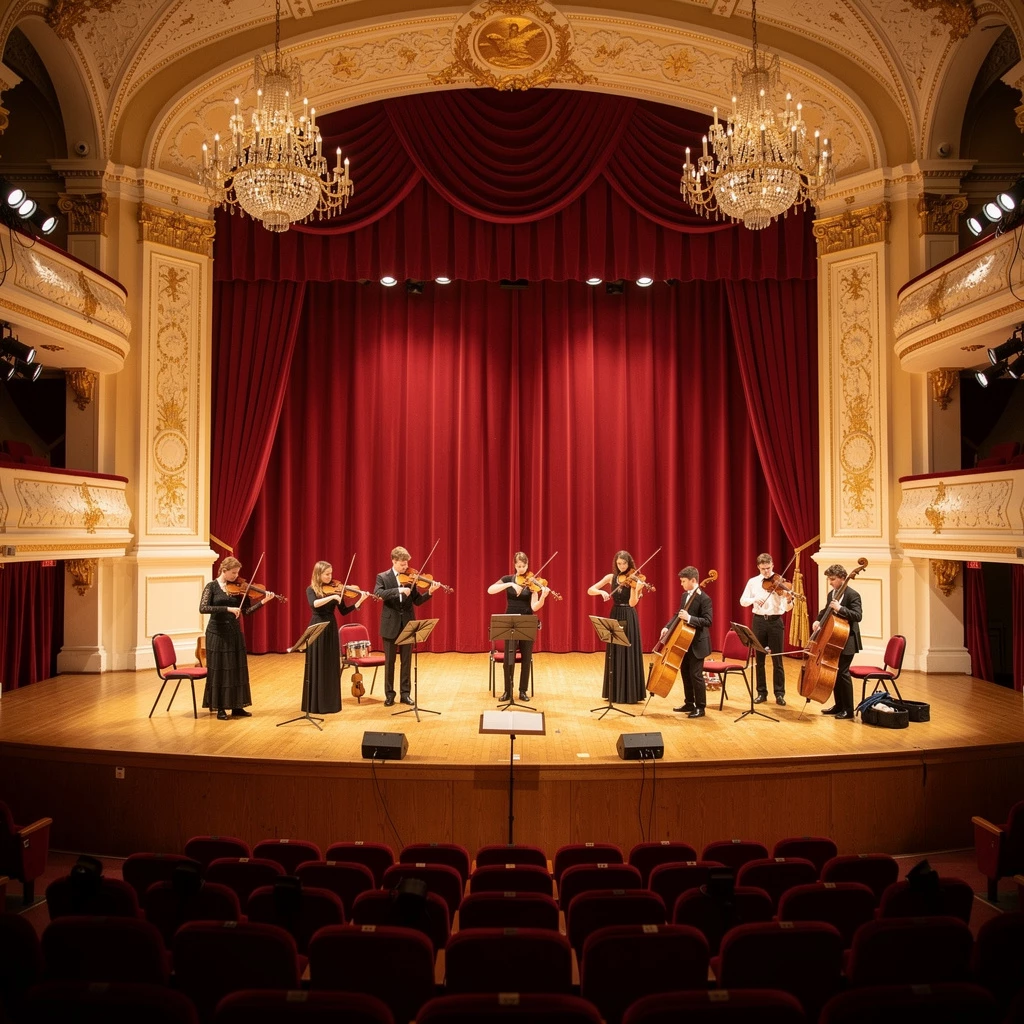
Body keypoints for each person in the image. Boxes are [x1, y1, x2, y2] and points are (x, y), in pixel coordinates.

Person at [199, 556, 275, 720]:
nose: (235, 576)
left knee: (236, 669)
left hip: (234, 632)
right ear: (224, 571)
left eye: (237, 573)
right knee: (219, 669)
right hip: (216, 633)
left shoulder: (239, 588)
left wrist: (264, 602)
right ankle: (220, 707)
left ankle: (237, 706)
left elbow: (246, 612)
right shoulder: (211, 587)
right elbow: (203, 608)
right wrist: (227, 608)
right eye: (233, 573)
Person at [374, 546, 439, 707]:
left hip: (408, 624)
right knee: (390, 662)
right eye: (402, 564)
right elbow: (378, 593)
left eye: (406, 564)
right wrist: (398, 590)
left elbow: (416, 601)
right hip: (390, 624)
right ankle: (389, 695)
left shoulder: (411, 578)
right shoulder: (382, 577)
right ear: (394, 561)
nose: (405, 567)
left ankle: (405, 694)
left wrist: (429, 593)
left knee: (406, 661)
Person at [302, 560, 369, 715]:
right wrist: (332, 597)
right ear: (318, 574)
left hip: (331, 626)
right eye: (327, 574)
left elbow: (344, 611)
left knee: (330, 664)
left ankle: (330, 704)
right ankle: (315, 704)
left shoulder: (335, 589)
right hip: (318, 626)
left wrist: (359, 601)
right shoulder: (311, 589)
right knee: (318, 663)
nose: (330, 577)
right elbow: (314, 604)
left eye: (331, 573)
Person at [487, 551, 550, 702]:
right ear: (515, 565)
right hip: (510, 621)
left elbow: (535, 607)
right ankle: (507, 691)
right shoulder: (507, 579)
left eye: (524, 566)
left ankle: (523, 691)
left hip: (527, 621)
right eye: (519, 566)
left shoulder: (533, 583)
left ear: (527, 565)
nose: (522, 569)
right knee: (509, 658)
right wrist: (510, 584)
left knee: (527, 658)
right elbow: (490, 590)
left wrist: (543, 596)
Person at [588, 551, 646, 704]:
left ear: (629, 564)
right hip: (615, 613)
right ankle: (614, 691)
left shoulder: (635, 579)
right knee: (615, 651)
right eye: (619, 564)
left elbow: (633, 603)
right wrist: (601, 592)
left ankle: (630, 693)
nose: (621, 567)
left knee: (628, 649)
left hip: (629, 614)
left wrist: (636, 589)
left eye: (624, 564)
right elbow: (590, 589)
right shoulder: (610, 577)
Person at [739, 553, 794, 706]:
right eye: (763, 569)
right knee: (760, 660)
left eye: (768, 568)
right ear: (758, 567)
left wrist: (789, 599)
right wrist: (754, 599)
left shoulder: (780, 582)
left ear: (773, 565)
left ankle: (780, 694)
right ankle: (761, 693)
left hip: (775, 621)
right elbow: (743, 601)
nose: (766, 572)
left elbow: (787, 608)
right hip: (759, 621)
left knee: (778, 660)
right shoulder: (753, 582)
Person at [660, 566, 713, 719]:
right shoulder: (685, 596)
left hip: (698, 643)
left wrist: (689, 618)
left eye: (683, 581)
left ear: (693, 580)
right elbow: (679, 614)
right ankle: (689, 703)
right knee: (685, 673)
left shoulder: (704, 598)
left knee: (696, 675)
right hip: (684, 641)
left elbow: (708, 621)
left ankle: (701, 707)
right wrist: (667, 627)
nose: (681, 584)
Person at [815, 563, 862, 720]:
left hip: (848, 640)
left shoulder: (852, 595)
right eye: (829, 579)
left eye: (833, 579)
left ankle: (848, 710)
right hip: (835, 639)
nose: (830, 582)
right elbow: (825, 611)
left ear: (843, 578)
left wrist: (840, 608)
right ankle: (838, 705)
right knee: (834, 673)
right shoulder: (832, 593)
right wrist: (818, 621)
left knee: (842, 673)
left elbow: (857, 616)